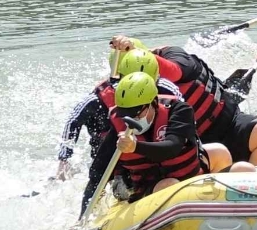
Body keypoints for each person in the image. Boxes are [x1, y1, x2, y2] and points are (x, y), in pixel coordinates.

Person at [79, 73, 250, 217]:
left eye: (136, 113)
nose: (131, 120)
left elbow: (173, 147)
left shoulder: (179, 111)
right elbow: (98, 174)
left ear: (152, 102)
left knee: (243, 169)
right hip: (153, 187)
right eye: (126, 114)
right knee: (169, 184)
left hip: (192, 175)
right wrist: (82, 218)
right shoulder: (118, 128)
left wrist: (136, 147)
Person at [109, 36, 257, 166]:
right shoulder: (126, 95)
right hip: (190, 145)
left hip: (230, 126)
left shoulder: (174, 56)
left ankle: (255, 197)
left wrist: (137, 53)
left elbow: (176, 72)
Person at [56, 49, 182, 181]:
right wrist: (64, 160)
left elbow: (183, 123)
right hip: (114, 155)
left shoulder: (167, 90)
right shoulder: (97, 99)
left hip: (158, 148)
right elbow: (73, 121)